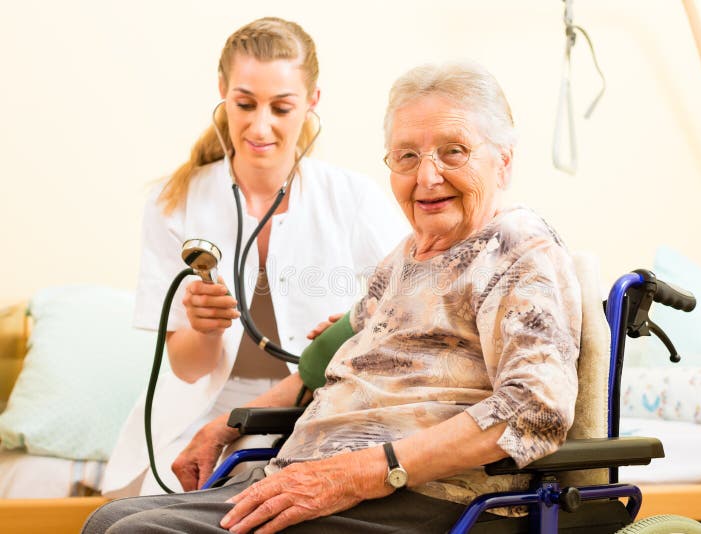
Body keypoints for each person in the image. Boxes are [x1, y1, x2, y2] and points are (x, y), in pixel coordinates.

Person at [86, 60, 581, 533]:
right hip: (316, 478)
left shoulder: (518, 247)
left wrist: (364, 471)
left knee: (140, 531)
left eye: (453, 151)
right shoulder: (403, 258)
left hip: (425, 496)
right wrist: (222, 426)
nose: (426, 177)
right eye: (407, 156)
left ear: (504, 162)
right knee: (109, 521)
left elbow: (534, 408)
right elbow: (332, 361)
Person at [101, 17, 408, 498]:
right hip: (203, 408)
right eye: (244, 104)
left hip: (317, 404)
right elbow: (187, 367)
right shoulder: (173, 202)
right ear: (222, 91)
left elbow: (409, 314)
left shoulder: (355, 199)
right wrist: (202, 328)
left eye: (281, 107)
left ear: (312, 102)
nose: (260, 125)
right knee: (152, 510)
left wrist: (352, 329)